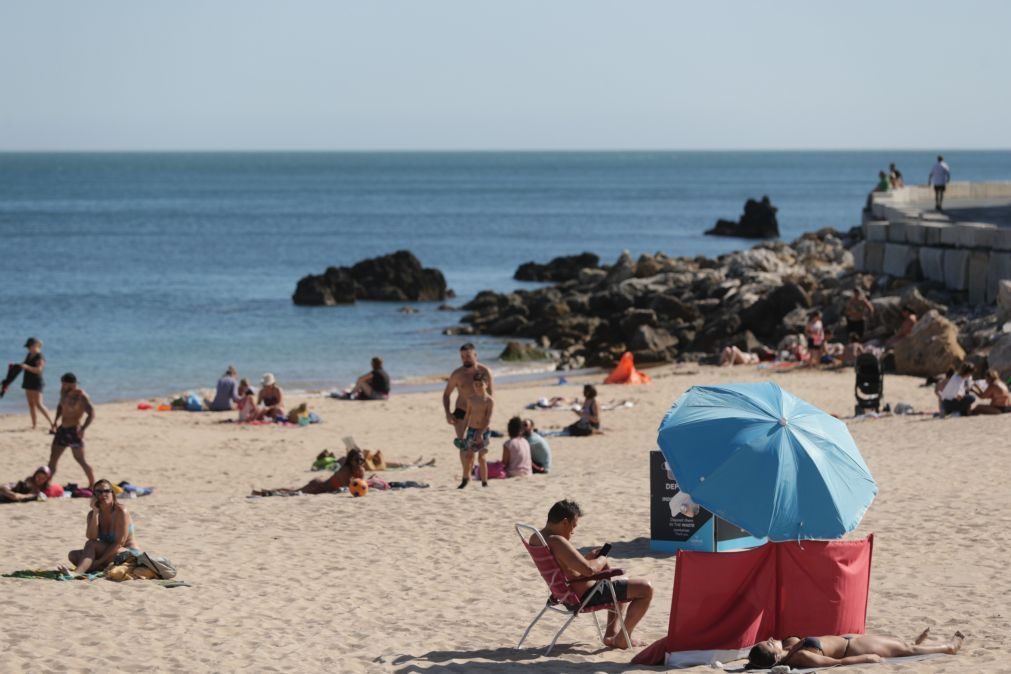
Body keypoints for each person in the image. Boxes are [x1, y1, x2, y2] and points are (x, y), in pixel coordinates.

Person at [531, 499, 653, 649]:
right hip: (587, 596)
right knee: (645, 589)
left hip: (564, 593)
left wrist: (586, 559)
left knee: (620, 583)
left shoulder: (537, 538)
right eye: (573, 526)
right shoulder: (557, 541)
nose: (573, 531)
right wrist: (602, 558)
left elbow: (564, 566)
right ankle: (622, 638)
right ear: (564, 522)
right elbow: (589, 570)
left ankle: (611, 634)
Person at [746, 628, 964, 669]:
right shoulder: (801, 657)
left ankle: (914, 645)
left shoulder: (788, 649)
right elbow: (835, 662)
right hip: (855, 648)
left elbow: (756, 662)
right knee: (905, 648)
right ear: (775, 655)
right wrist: (866, 658)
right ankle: (948, 648)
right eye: (769, 643)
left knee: (901, 646)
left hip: (850, 640)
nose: (772, 638)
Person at [60, 478, 138, 577]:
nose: (103, 494)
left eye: (106, 491)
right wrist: (96, 512)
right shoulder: (92, 514)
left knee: (91, 546)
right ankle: (98, 566)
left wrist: (99, 561)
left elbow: (119, 543)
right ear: (94, 495)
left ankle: (77, 573)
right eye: (99, 491)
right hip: (109, 554)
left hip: (127, 553)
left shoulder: (120, 511)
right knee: (73, 555)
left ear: (112, 493)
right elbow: (91, 537)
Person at [442, 343, 494, 450]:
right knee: (464, 449)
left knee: (479, 451)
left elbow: (490, 397)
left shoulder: (485, 372)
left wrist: (487, 419)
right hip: (461, 412)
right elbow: (446, 395)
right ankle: (466, 467)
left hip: (478, 413)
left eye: (468, 356)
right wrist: (448, 413)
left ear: (475, 355)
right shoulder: (457, 374)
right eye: (462, 357)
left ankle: (475, 467)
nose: (465, 359)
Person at [252, 448, 366, 496]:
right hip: (319, 486)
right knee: (292, 493)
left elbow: (361, 486)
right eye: (357, 459)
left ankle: (265, 492)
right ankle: (264, 493)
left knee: (293, 491)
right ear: (350, 460)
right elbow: (347, 488)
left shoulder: (360, 471)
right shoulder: (345, 470)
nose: (360, 462)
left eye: (362, 459)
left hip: (322, 486)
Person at [49, 373, 95, 487]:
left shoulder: (81, 396)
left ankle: (92, 484)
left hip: (74, 431)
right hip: (62, 430)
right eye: (62, 384)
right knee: (53, 459)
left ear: (73, 384)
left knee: (80, 459)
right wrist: (55, 422)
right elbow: (60, 407)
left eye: (66, 384)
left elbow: (91, 413)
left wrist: (83, 428)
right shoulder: (63, 392)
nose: (63, 386)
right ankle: (46, 484)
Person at [459, 371, 494, 489]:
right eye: (475, 385)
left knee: (482, 457)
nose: (478, 387)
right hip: (472, 430)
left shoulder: (489, 401)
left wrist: (481, 433)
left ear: (486, 384)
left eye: (480, 384)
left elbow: (488, 419)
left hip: (484, 431)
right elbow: (467, 416)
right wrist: (462, 432)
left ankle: (484, 482)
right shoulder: (471, 399)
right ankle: (465, 479)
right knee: (468, 456)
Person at [14, 337, 55, 431]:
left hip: (36, 382)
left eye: (30, 346)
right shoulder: (29, 354)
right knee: (31, 404)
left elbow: (39, 370)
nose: (28, 348)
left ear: (36, 345)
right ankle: (34, 425)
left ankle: (52, 423)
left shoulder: (40, 356)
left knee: (39, 404)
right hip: (28, 381)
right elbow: (25, 364)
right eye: (28, 347)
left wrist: (27, 367)